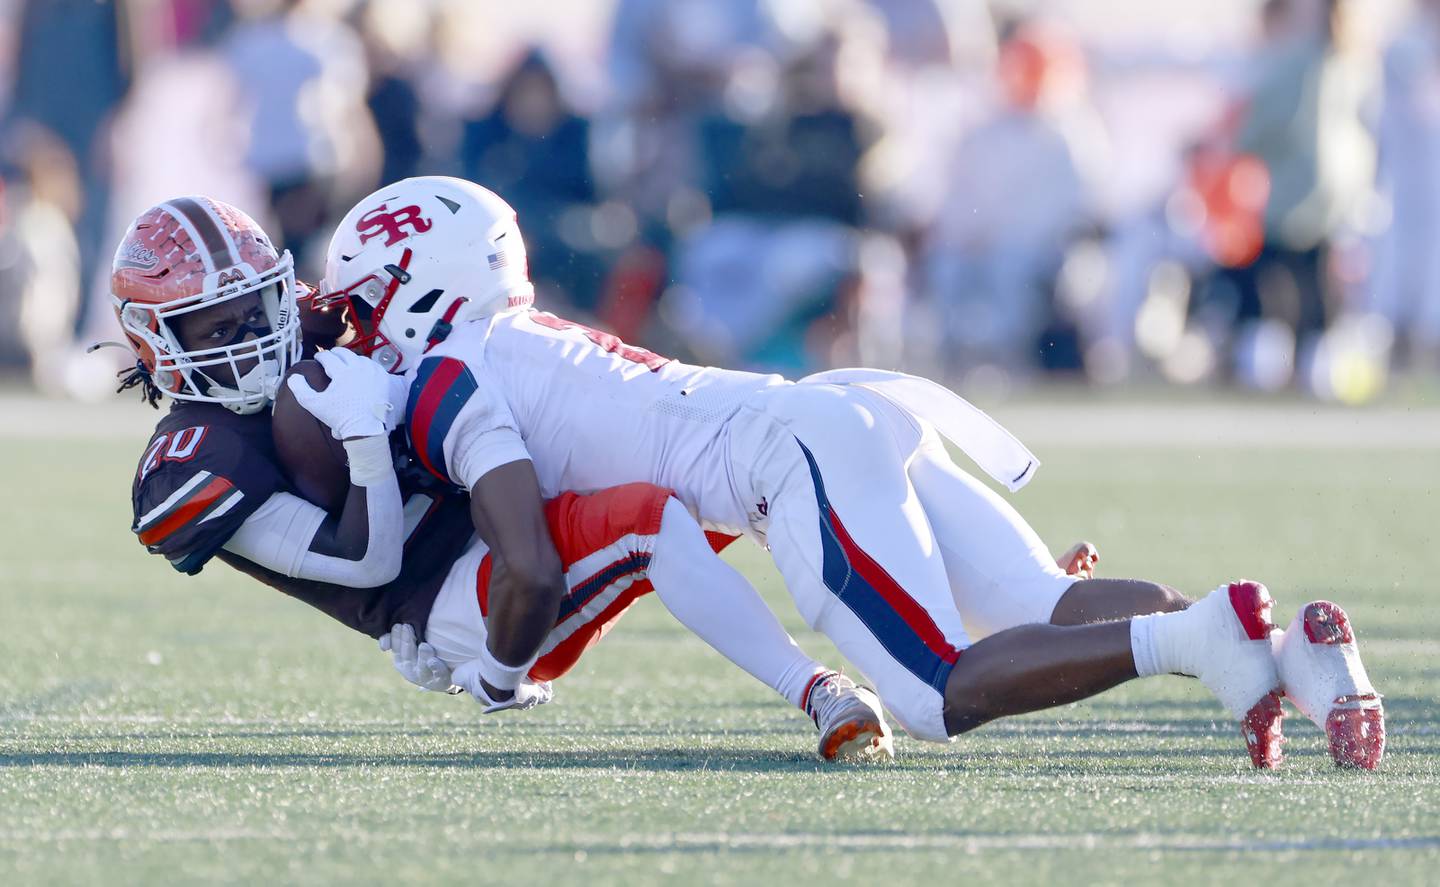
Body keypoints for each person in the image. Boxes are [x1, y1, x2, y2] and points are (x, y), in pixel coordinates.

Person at [315, 176, 1385, 769]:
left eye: (363, 306)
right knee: (1046, 602)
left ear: (414, 287)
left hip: (796, 454)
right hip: (840, 412)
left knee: (931, 691)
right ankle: (1293, 658)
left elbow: (532, 555)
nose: (360, 334)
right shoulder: (528, 336)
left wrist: (489, 668)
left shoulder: (452, 372)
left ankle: (1201, 635)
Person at [109, 196, 891, 758]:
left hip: (491, 494)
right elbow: (367, 561)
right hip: (449, 591)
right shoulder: (194, 464)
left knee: (697, 463)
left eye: (259, 305)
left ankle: (908, 625)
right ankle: (818, 687)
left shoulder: (304, 320)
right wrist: (364, 438)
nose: (253, 334)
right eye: (218, 325)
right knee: (654, 516)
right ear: (154, 340)